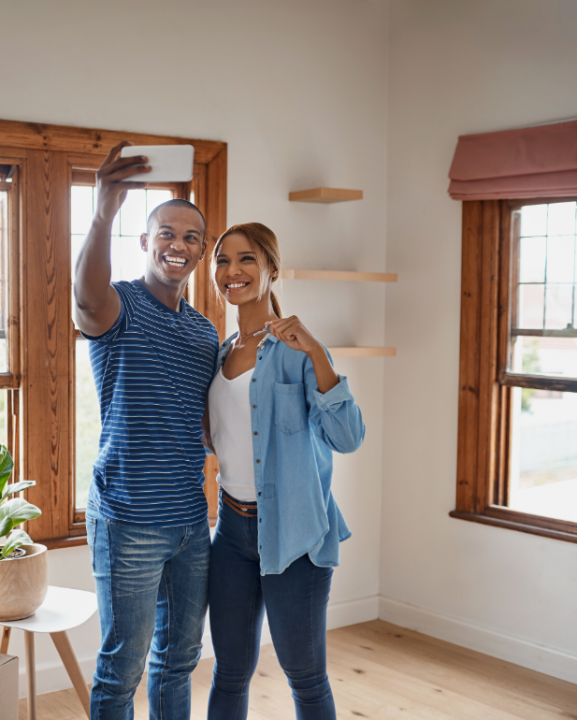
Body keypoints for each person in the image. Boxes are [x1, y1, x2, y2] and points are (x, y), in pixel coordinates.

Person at [74, 141, 220, 720]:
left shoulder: (206, 332)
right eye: (166, 233)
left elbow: (208, 426)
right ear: (145, 242)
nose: (177, 245)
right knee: (121, 670)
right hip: (128, 518)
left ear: (201, 251)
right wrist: (103, 211)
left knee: (180, 659)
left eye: (189, 238)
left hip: (191, 521)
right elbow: (85, 295)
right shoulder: (118, 306)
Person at [203, 222, 365, 720]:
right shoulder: (220, 351)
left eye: (247, 259)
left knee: (305, 676)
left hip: (295, 534)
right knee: (228, 672)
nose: (233, 271)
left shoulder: (297, 351)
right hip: (230, 532)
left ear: (272, 268)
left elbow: (348, 437)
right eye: (223, 261)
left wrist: (316, 351)